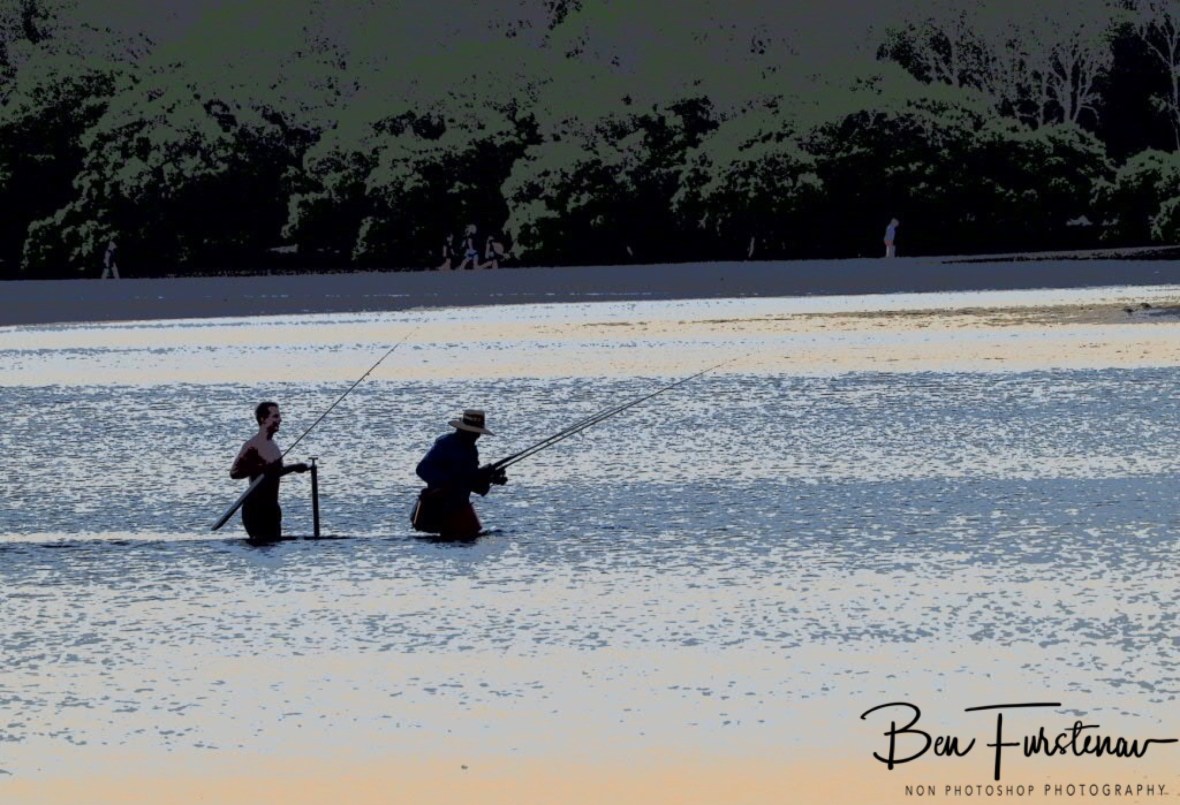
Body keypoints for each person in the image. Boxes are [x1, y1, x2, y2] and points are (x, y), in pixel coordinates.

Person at [412, 409, 507, 539]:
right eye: (473, 433)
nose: (476, 436)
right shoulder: (445, 444)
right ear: (463, 430)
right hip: (440, 508)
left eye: (478, 433)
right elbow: (423, 469)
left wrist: (490, 479)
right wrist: (452, 481)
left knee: (474, 538)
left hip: (461, 508)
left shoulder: (472, 450)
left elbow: (475, 486)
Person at [229, 401, 308, 541]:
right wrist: (259, 468)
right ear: (263, 419)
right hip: (256, 509)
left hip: (272, 507)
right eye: (275, 416)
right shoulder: (252, 445)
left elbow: (274, 473)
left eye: (279, 416)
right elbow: (234, 473)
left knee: (274, 550)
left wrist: (295, 468)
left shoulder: (273, 445)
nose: (280, 420)